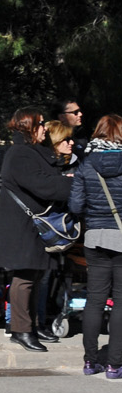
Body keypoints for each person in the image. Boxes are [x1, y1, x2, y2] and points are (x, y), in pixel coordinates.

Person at [0, 107, 72, 351]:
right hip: (21, 227)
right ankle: (21, 330)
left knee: (33, 277)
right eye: (41, 124)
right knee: (24, 279)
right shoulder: (21, 153)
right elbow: (44, 186)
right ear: (29, 127)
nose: (45, 128)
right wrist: (71, 183)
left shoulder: (31, 151)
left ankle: (31, 326)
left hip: (30, 226)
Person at [67, 114, 122, 377]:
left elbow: (76, 206)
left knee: (95, 299)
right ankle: (114, 364)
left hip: (95, 238)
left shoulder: (86, 165)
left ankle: (90, 361)